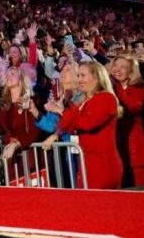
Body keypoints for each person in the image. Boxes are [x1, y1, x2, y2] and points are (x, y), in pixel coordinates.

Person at [50, 61, 123, 189]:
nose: (79, 80)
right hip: (86, 163)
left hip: (103, 165)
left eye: (83, 76)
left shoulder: (106, 98)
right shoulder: (82, 102)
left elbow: (88, 124)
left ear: (96, 77)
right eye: (78, 76)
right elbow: (66, 125)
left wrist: (63, 112)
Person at [110, 55, 144, 187]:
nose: (117, 69)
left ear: (131, 72)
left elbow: (133, 107)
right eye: (115, 65)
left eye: (123, 67)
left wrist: (115, 85)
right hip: (119, 152)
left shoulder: (140, 89)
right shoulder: (110, 90)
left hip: (138, 154)